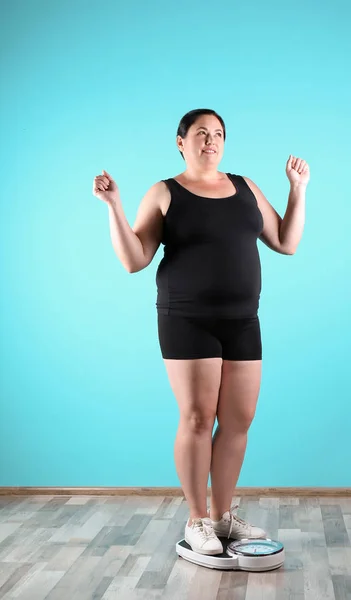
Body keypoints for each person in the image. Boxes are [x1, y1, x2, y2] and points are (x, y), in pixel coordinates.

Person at [92, 108, 309, 556]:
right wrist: (114, 207)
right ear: (180, 141)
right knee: (196, 418)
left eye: (218, 134)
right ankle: (196, 520)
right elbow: (135, 259)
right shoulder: (164, 192)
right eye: (201, 133)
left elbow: (286, 241)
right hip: (186, 318)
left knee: (238, 421)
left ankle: (222, 517)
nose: (211, 141)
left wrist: (298, 190)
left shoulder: (246, 187)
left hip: (244, 319)